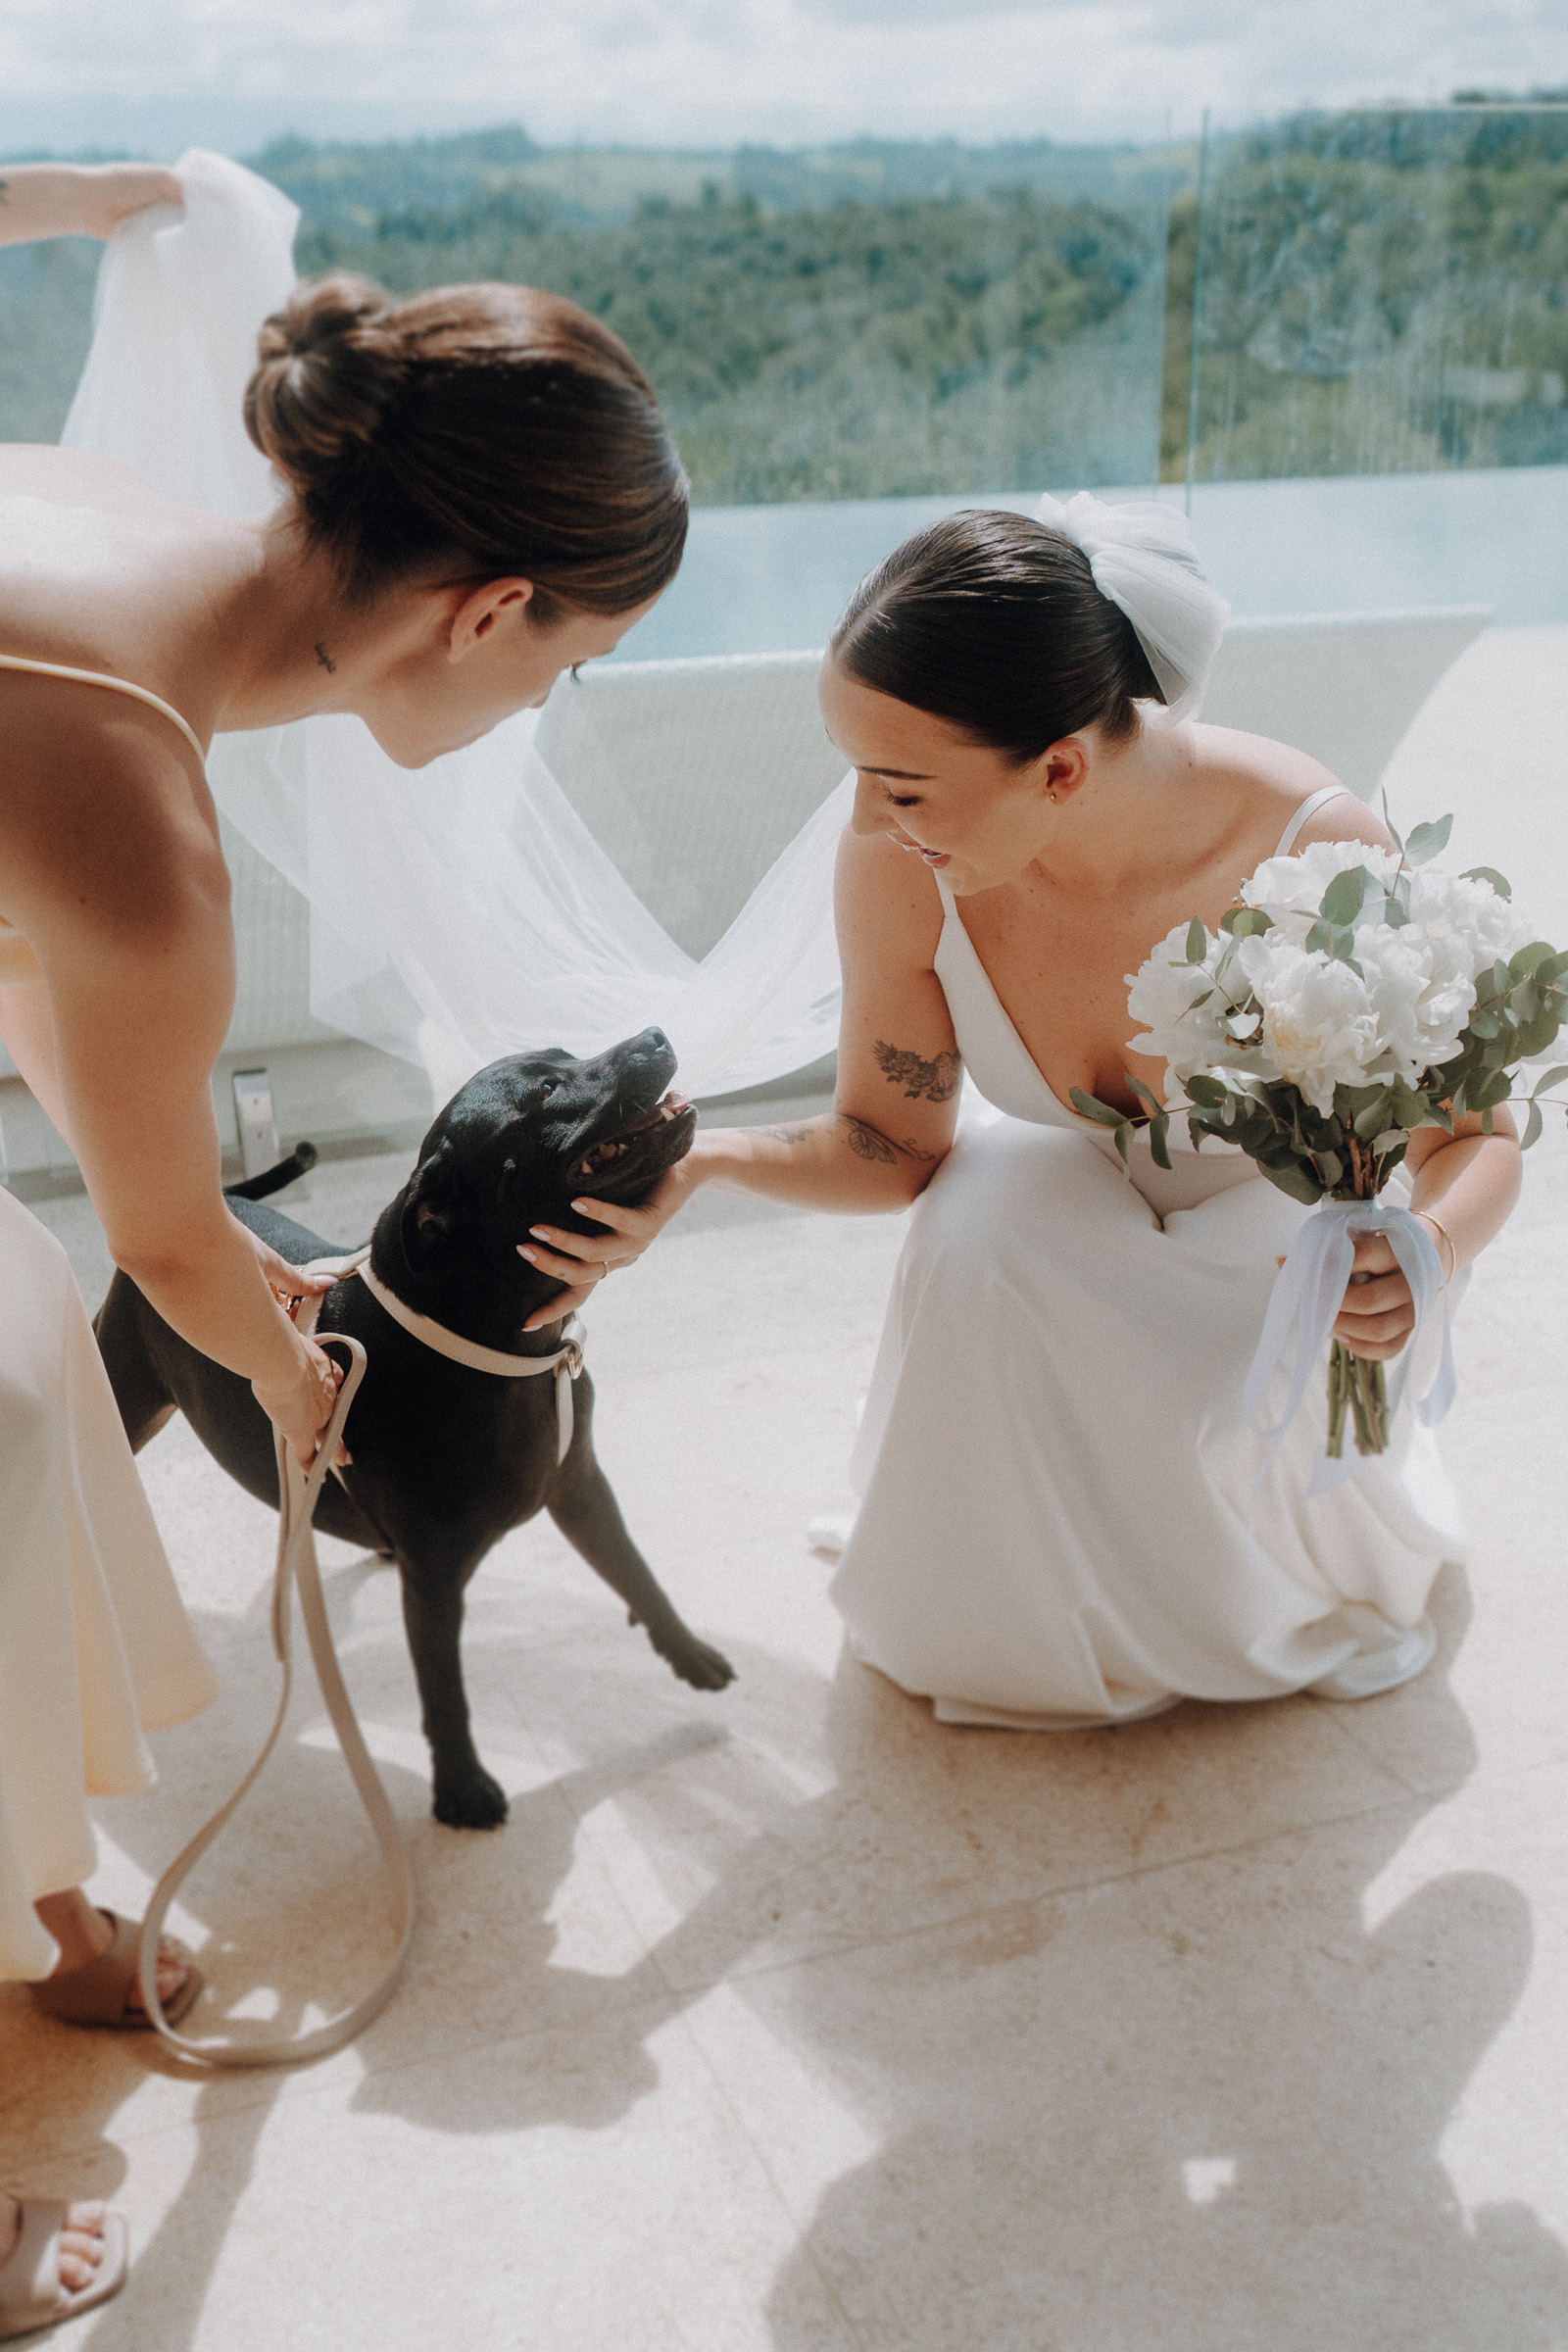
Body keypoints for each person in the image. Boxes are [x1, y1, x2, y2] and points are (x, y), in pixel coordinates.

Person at [0, 157, 686, 2334]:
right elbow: (163, 1245)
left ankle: (26, 1900)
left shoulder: (79, 510)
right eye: (575, 658)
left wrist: (69, 191)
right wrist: (285, 1367)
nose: (539, 704)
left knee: (27, 1399)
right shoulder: (137, 794)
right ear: (490, 610)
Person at [543, 498, 1520, 1730]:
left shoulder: (1317, 857)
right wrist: (706, 1163)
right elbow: (891, 1144)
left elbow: (1472, 1140)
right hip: (1087, 1187)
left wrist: (1424, 1250)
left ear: (1060, 765)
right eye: (856, 776)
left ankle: (1255, 1580)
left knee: (1229, 1342)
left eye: (900, 787)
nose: (862, 822)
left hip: (1290, 1233)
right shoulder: (900, 864)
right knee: (978, 1229)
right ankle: (1012, 1617)